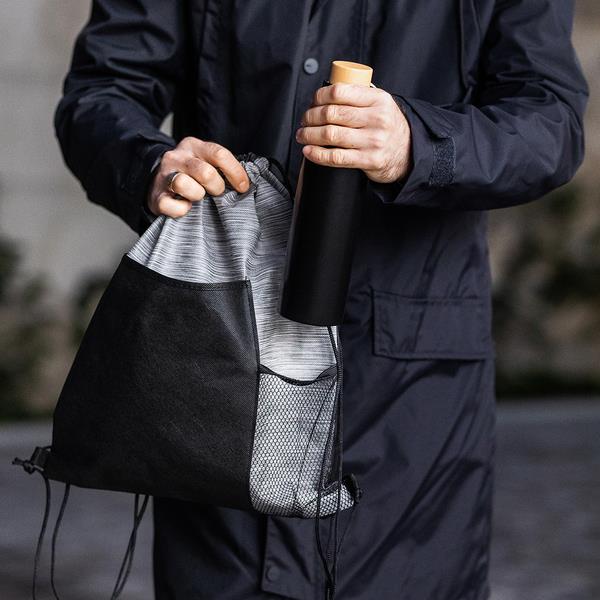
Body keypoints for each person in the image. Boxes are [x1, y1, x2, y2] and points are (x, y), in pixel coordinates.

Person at [53, 1, 588, 598]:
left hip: (411, 397)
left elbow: (551, 122)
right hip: (221, 366)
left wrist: (416, 143)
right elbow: (103, 91)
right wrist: (150, 163)